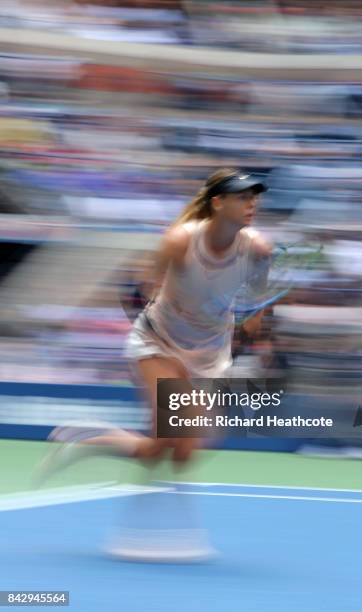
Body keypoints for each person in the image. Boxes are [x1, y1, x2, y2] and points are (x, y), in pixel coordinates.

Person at [38, 168, 272, 560]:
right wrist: (165, 338)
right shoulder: (180, 241)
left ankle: (88, 440)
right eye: (242, 197)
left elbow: (256, 311)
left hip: (209, 355)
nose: (251, 205)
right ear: (218, 203)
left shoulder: (258, 249)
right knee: (171, 430)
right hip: (157, 344)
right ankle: (136, 533)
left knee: (177, 454)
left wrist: (250, 329)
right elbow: (134, 292)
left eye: (255, 198)